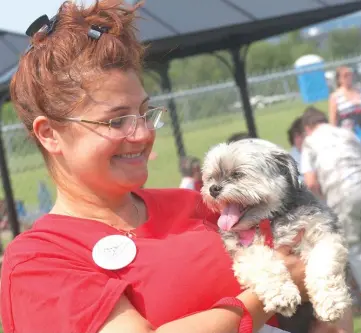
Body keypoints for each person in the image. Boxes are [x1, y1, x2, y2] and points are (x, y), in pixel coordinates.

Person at [1, 1, 309, 333]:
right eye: (116, 120)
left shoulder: (193, 205)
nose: (143, 133)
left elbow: (302, 252)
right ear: (50, 134)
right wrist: (266, 295)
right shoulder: (39, 259)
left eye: (145, 113)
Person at [300, 106, 361, 329]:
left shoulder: (310, 141)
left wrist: (322, 204)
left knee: (354, 249)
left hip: (342, 195)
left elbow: (311, 181)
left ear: (308, 128)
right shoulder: (345, 133)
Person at [328, 66, 361, 139]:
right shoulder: (335, 96)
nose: (349, 77)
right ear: (339, 79)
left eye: (350, 74)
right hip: (347, 134)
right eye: (345, 75)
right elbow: (333, 120)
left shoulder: (358, 91)